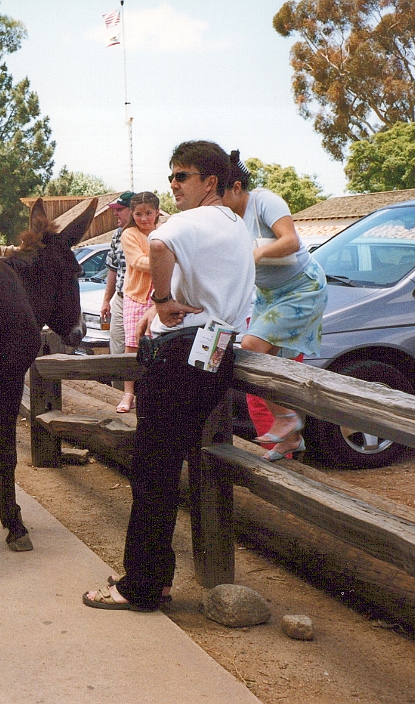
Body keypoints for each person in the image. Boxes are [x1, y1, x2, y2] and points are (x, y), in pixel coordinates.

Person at [82, 141, 255, 612]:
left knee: (152, 469)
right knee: (165, 465)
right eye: (172, 176)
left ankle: (141, 585)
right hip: (216, 351)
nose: (173, 185)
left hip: (179, 355)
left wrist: (159, 302)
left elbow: (158, 245)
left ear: (210, 182)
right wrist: (157, 313)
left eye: (182, 176)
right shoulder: (235, 225)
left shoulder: (185, 222)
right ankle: (153, 577)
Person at [222, 151, 327, 462]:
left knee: (251, 347)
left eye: (220, 193)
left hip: (302, 289)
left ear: (237, 187)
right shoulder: (227, 218)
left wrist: (253, 255)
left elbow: (291, 241)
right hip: (268, 295)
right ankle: (291, 438)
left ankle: (287, 419)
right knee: (265, 368)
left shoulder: (265, 200)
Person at [116, 192, 161, 413]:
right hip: (137, 296)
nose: (144, 218)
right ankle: (128, 393)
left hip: (161, 296)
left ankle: (154, 391)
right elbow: (137, 262)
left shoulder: (164, 232)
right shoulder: (129, 234)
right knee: (133, 344)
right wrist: (166, 261)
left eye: (149, 213)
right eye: (139, 214)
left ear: (157, 212)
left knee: (160, 344)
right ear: (132, 215)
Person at [100, 191, 135, 384]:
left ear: (131, 211)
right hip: (122, 299)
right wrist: (107, 300)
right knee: (118, 350)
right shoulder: (117, 235)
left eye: (119, 210)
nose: (116, 214)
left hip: (143, 300)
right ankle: (118, 394)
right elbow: (112, 269)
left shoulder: (150, 234)